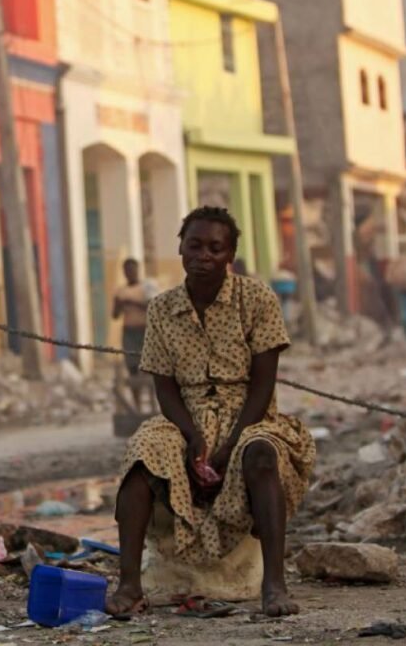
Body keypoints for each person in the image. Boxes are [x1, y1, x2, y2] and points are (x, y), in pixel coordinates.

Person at [104, 206, 315, 618]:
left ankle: (274, 584)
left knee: (261, 455)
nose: (203, 255)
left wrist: (232, 441)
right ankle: (129, 583)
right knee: (141, 456)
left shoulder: (256, 299)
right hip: (184, 415)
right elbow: (164, 386)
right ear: (180, 248)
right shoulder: (162, 309)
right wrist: (192, 437)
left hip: (249, 414)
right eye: (195, 245)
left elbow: (263, 383)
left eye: (215, 248)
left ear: (230, 255)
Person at [113, 258, 155, 410]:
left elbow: (152, 307)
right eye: (127, 271)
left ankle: (152, 405)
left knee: (147, 370)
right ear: (124, 272)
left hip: (144, 331)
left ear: (137, 270)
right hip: (129, 332)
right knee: (132, 369)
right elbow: (115, 315)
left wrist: (132, 303)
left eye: (132, 270)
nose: (130, 273)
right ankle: (137, 407)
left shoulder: (146, 288)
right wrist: (119, 304)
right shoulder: (121, 291)